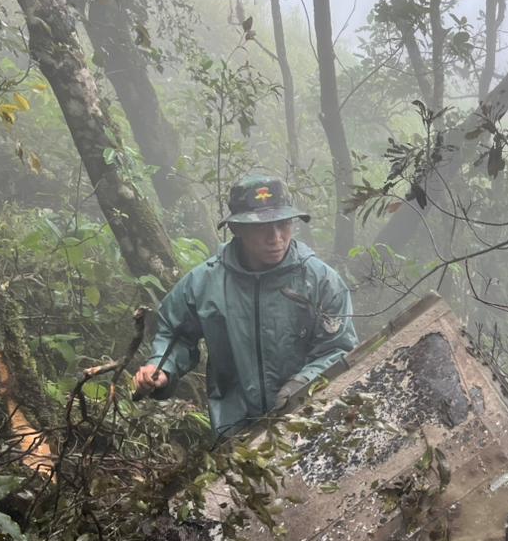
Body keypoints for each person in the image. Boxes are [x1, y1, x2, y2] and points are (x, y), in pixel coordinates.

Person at [133, 174, 358, 436]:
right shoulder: (205, 282)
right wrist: (162, 368)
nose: (275, 238)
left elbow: (338, 348)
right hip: (235, 430)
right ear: (237, 229)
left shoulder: (320, 281)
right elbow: (175, 335)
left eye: (283, 224)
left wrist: (301, 384)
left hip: (309, 420)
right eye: (261, 227)